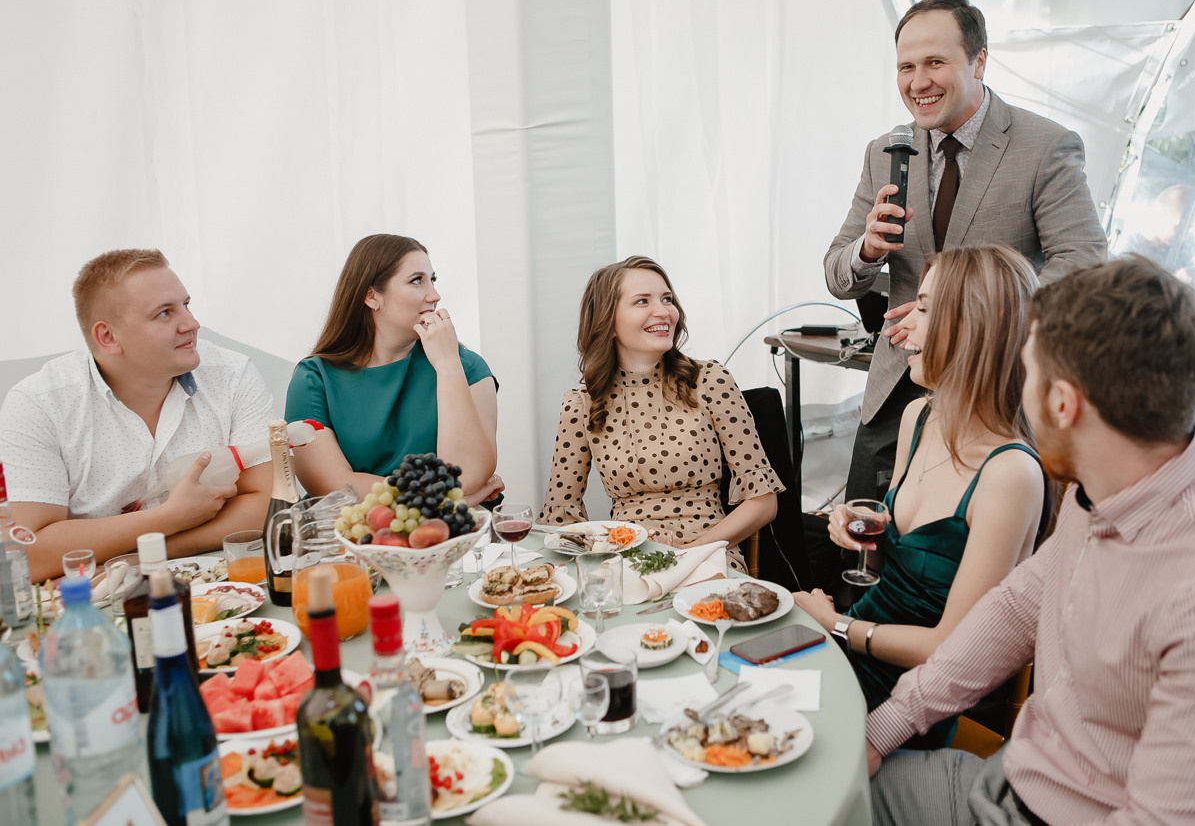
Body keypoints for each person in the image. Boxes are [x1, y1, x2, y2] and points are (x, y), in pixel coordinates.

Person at [865, 258, 1195, 824]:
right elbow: (1014, 609)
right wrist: (883, 729)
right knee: (815, 789)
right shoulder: (1108, 486)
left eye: (1026, 371)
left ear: (1064, 404)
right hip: (1011, 780)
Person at [823, 0, 1106, 508]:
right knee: (865, 553)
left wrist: (967, 313)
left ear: (979, 61)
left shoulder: (1045, 146)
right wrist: (866, 250)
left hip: (996, 392)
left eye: (935, 62)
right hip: (898, 388)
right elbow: (837, 276)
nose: (918, 81)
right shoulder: (884, 152)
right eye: (906, 66)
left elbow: (1083, 267)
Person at [795, 245, 1047, 746]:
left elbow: (953, 647)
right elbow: (905, 554)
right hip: (855, 650)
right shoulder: (919, 417)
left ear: (973, 329)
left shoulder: (1011, 474)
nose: (901, 328)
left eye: (925, 308)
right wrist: (866, 533)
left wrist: (836, 624)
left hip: (912, 701)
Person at [0, 249, 274, 583]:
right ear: (108, 337)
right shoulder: (38, 404)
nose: (191, 323)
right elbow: (31, 553)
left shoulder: (232, 374)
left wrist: (141, 555)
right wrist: (170, 517)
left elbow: (266, 505)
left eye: (185, 305)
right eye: (164, 313)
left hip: (229, 585)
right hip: (97, 607)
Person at [538, 256, 784, 573]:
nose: (663, 311)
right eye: (643, 301)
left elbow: (763, 502)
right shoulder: (581, 403)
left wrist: (685, 554)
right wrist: (592, 566)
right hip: (625, 558)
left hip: (708, 554)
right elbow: (562, 513)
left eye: (666, 299)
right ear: (608, 322)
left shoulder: (710, 380)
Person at [284, 234, 500, 502]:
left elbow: (467, 476)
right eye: (417, 281)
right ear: (371, 296)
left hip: (458, 537)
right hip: (355, 538)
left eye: (432, 279)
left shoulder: (466, 367)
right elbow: (332, 486)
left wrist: (447, 366)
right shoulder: (314, 379)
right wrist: (442, 501)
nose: (435, 295)